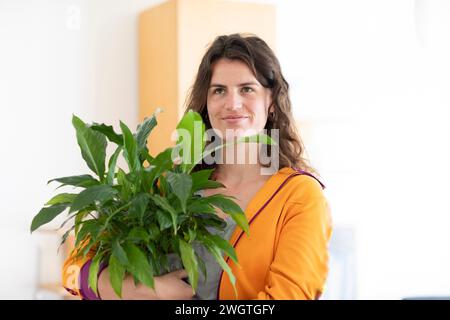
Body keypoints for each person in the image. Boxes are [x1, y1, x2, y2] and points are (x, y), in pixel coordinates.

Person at [62, 33, 333, 300]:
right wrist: (144, 290)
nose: (232, 103)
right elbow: (73, 270)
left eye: (247, 89)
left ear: (271, 101)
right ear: (206, 103)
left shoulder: (300, 197)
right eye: (219, 91)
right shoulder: (169, 183)